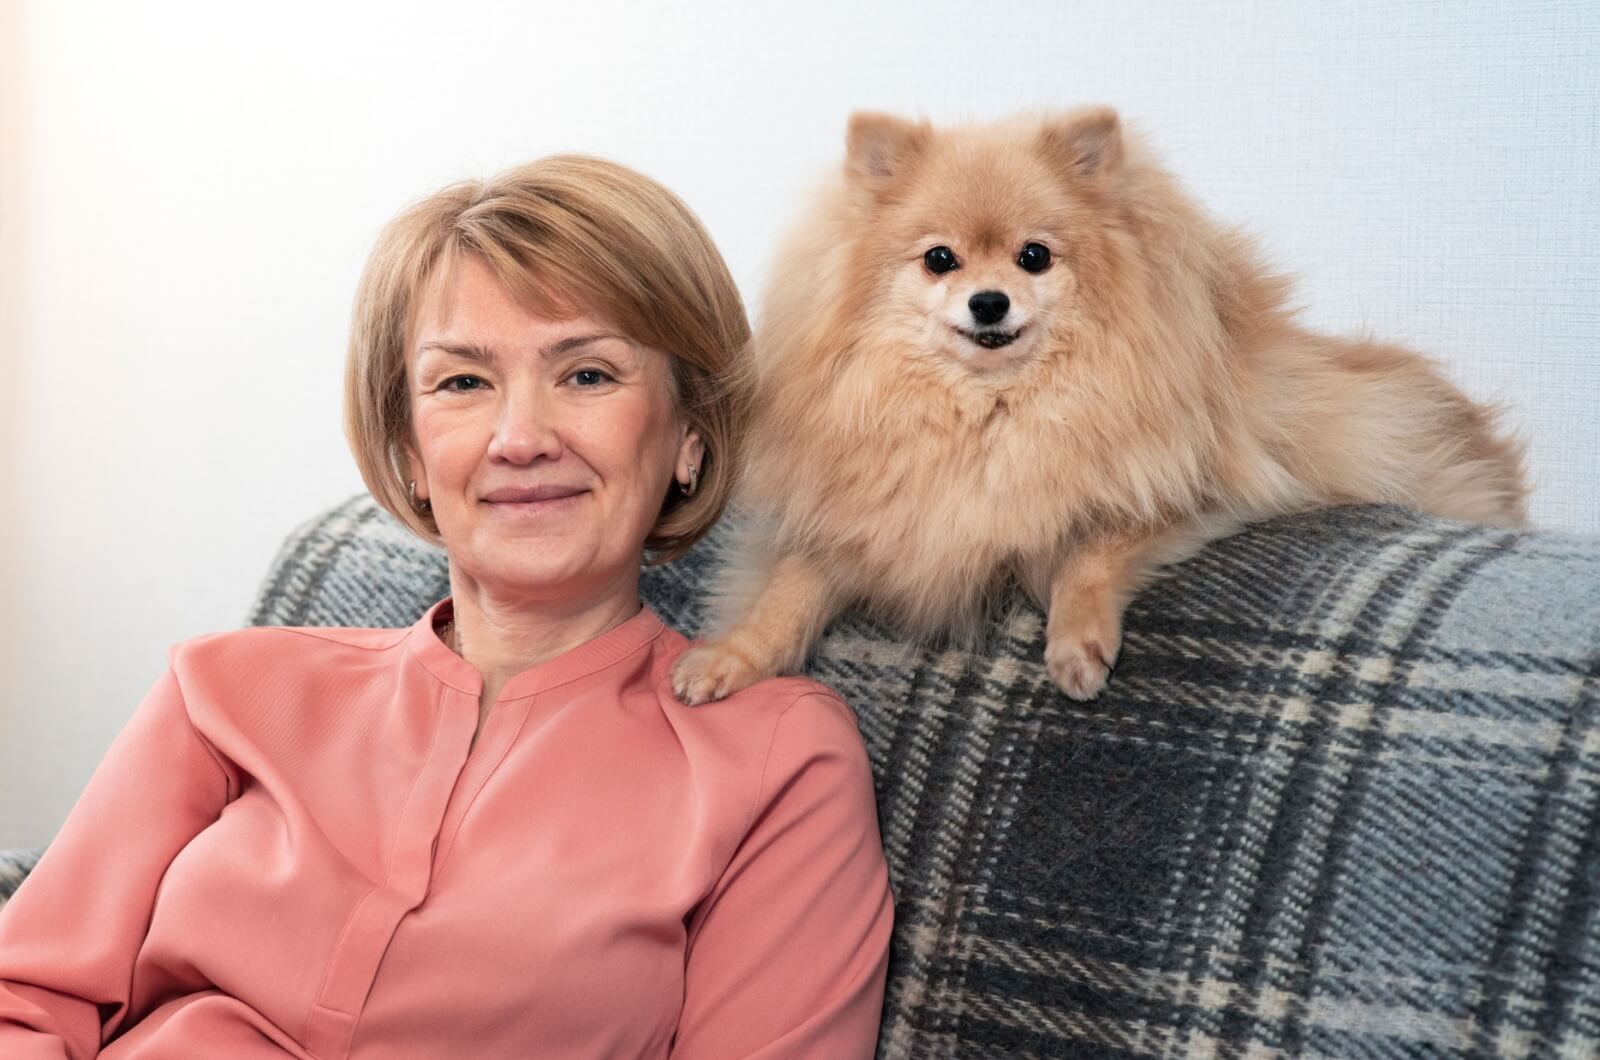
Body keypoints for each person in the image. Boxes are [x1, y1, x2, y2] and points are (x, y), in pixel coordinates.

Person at [0, 156, 894, 1058]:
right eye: (463, 383)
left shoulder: (777, 760)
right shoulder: (221, 690)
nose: (520, 440)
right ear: (412, 449)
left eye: (587, 375)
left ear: (690, 433)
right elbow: (26, 1000)